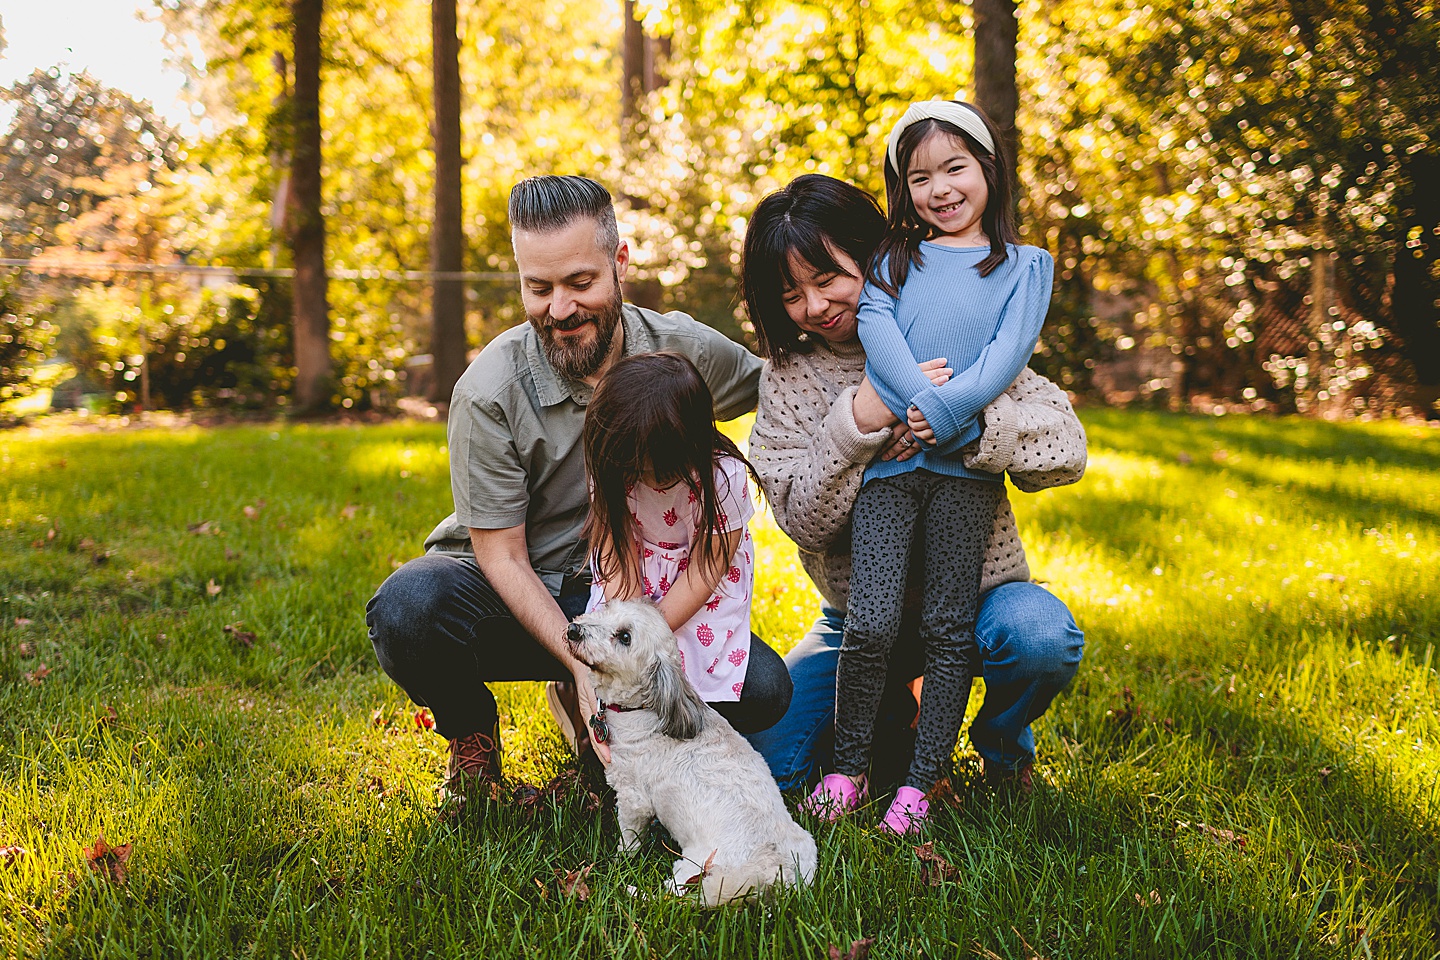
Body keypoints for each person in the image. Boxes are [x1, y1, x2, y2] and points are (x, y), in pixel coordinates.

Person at [365, 175, 786, 805]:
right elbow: (500, 554)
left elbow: (781, 385)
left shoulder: (680, 350)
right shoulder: (488, 391)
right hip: (515, 588)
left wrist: (885, 396)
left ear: (619, 265)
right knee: (408, 610)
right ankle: (475, 743)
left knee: (763, 690)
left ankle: (616, 739)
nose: (559, 310)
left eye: (580, 283)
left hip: (633, 588)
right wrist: (580, 661)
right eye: (539, 289)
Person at [740, 169, 1086, 828]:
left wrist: (968, 423)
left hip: (980, 601)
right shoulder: (789, 379)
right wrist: (860, 422)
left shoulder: (950, 327)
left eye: (829, 277)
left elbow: (1066, 448)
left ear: (874, 258)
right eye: (791, 294)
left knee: (1040, 638)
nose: (814, 305)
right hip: (858, 620)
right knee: (777, 768)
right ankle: (896, 713)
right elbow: (801, 519)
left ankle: (1003, 747)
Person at [582, 352, 760, 705]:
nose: (639, 477)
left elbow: (706, 568)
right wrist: (626, 619)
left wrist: (651, 630)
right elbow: (614, 546)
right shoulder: (613, 463)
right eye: (630, 466)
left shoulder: (722, 480)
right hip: (632, 570)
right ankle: (593, 706)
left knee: (676, 674)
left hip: (695, 592)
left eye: (654, 471)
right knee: (613, 656)